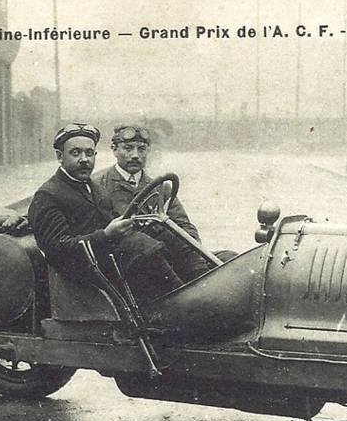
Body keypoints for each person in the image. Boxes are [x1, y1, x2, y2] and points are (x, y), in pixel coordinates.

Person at [26, 123, 187, 302]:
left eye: (89, 153)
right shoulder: (49, 194)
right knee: (141, 247)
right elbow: (57, 250)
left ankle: (190, 292)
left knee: (167, 239)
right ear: (59, 156)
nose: (84, 159)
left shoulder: (94, 188)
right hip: (81, 273)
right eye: (75, 153)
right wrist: (106, 235)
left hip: (104, 262)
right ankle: (183, 303)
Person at [93, 125, 213, 282]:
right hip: (127, 264)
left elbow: (184, 225)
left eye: (141, 149)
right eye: (128, 148)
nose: (135, 155)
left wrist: (196, 252)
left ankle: (203, 282)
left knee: (223, 259)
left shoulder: (161, 187)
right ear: (114, 150)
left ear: (148, 151)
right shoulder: (97, 185)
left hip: (163, 255)